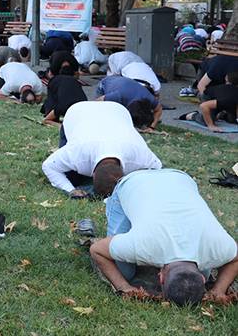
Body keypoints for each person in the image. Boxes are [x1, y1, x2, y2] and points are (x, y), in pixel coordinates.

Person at [90, 169, 237, 305]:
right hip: (133, 182)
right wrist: (124, 287)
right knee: (124, 273)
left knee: (123, 265)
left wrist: (218, 290)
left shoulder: (218, 247)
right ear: (160, 276)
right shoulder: (141, 244)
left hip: (180, 179)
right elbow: (97, 250)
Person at [42, 101, 162, 198]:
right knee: (72, 178)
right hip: (78, 112)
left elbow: (158, 167)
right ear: (92, 174)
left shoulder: (138, 154)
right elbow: (49, 166)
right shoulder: (77, 152)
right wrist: (70, 190)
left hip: (117, 111)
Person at [96, 76, 162, 130]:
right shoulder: (118, 96)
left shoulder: (149, 99)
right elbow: (97, 102)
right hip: (105, 84)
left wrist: (152, 127)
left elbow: (159, 109)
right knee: (104, 115)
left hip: (124, 85)